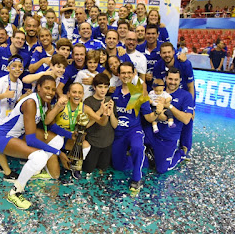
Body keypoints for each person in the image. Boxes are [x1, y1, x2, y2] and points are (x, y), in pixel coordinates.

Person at [0, 75, 71, 209]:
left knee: (57, 140)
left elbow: (49, 125)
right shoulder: (30, 102)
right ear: (38, 87)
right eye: (46, 88)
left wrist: (71, 135)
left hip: (19, 133)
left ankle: (36, 170)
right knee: (39, 157)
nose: (50, 92)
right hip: (3, 136)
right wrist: (59, 153)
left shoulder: (45, 101)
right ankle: (15, 193)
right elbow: (31, 139)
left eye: (53, 89)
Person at [111, 62, 162, 191]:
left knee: (137, 147)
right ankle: (144, 160)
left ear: (134, 74)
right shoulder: (113, 93)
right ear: (118, 74)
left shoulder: (139, 94)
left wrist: (157, 111)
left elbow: (149, 118)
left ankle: (137, 178)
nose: (126, 75)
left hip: (134, 131)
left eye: (129, 72)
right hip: (118, 132)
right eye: (123, 73)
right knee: (118, 166)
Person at [45, 82, 110, 179]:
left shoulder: (84, 108)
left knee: (86, 146)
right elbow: (47, 121)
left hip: (69, 139)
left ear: (83, 94)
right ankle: (48, 161)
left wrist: (105, 114)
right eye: (74, 92)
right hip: (54, 137)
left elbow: (101, 122)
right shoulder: (62, 105)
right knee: (55, 175)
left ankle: (75, 165)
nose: (77, 95)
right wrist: (57, 106)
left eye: (80, 92)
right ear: (68, 94)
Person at [0, 55, 29, 181]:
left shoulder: (20, 83)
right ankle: (7, 172)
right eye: (14, 66)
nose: (17, 69)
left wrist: (23, 98)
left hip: (6, 117)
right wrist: (4, 94)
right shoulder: (2, 81)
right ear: (8, 68)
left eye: (20, 67)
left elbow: (14, 101)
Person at [149, 68, 194, 174]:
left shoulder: (186, 96)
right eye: (170, 79)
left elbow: (186, 120)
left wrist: (169, 106)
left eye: (176, 79)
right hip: (152, 133)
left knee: (161, 169)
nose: (172, 82)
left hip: (168, 138)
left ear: (180, 80)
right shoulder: (156, 92)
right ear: (165, 79)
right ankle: (151, 151)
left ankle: (181, 153)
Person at [83, 73, 118, 173]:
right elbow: (85, 125)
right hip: (93, 143)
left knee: (103, 169)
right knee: (88, 170)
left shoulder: (110, 101)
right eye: (100, 87)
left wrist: (110, 113)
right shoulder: (88, 102)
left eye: (106, 87)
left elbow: (115, 125)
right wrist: (99, 112)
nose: (103, 90)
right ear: (94, 87)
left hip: (107, 143)